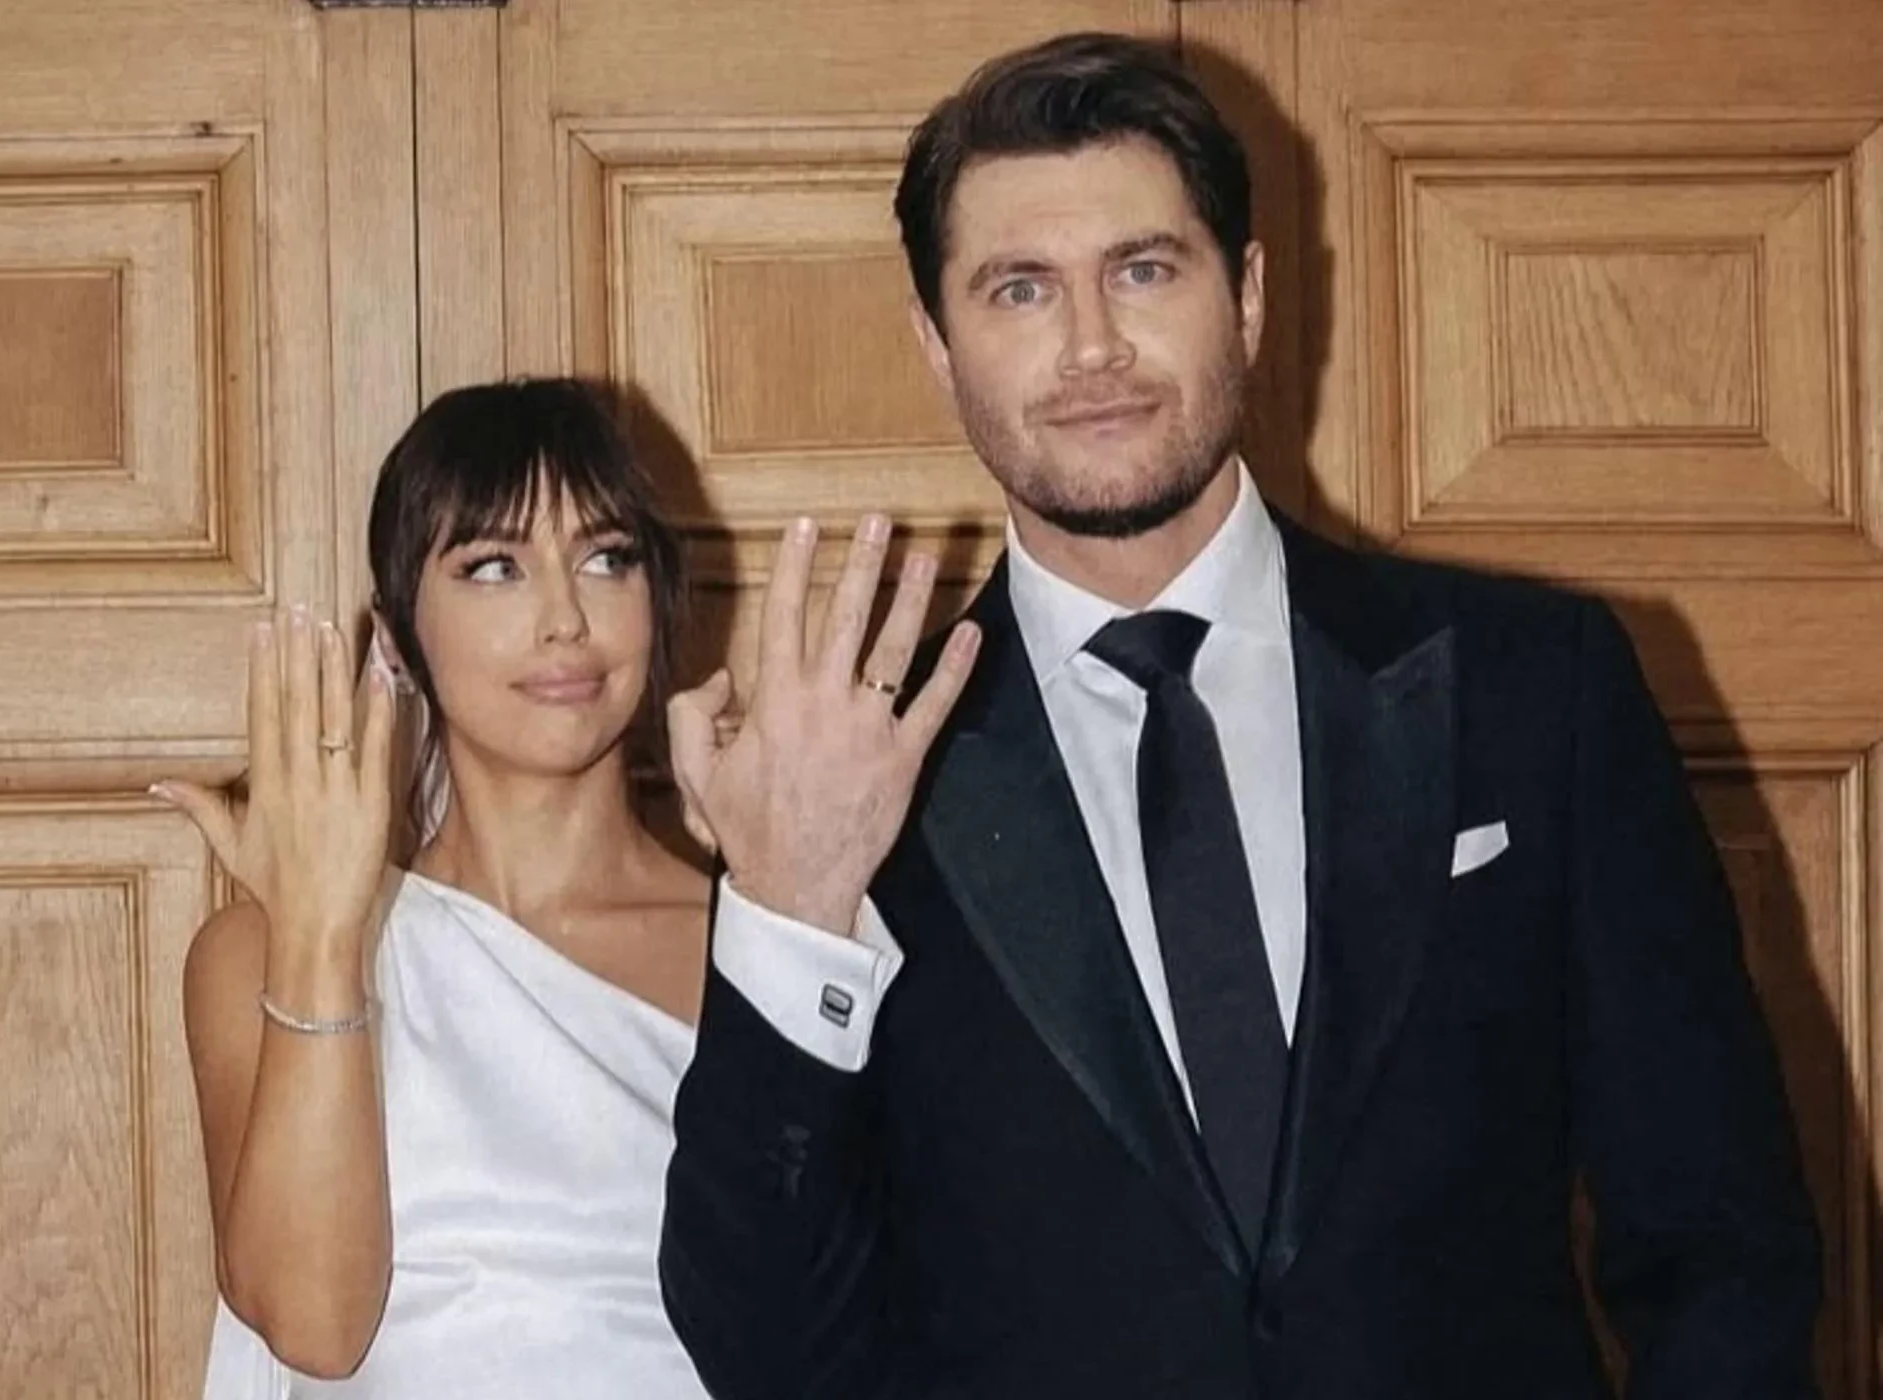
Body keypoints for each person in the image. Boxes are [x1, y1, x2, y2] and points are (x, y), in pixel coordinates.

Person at [655, 31, 1822, 1399]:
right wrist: (790, 911)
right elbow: (766, 1352)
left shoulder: (1534, 688)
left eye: (1144, 270)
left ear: (1249, 297)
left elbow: (1720, 1248)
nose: (1091, 345)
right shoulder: (844, 770)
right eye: (1019, 289)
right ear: (936, 345)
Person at [156, 378, 714, 1398]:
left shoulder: (760, 952)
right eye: (494, 566)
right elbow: (312, 1324)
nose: (565, 619)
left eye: (606, 558)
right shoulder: (261, 953)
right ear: (397, 635)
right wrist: (323, 938)